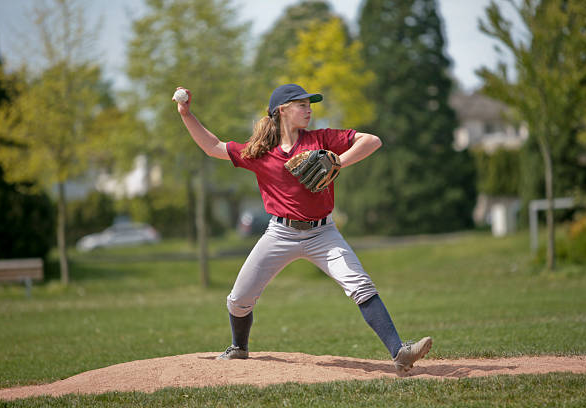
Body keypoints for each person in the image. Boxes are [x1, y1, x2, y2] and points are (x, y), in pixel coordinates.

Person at [174, 83, 432, 376]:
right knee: (239, 299)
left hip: (323, 233)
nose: (309, 109)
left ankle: (399, 353)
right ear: (282, 110)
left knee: (359, 284)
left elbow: (372, 140)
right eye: (302, 105)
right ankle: (239, 347)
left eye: (310, 104)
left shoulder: (321, 139)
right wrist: (186, 113)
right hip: (279, 234)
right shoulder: (261, 152)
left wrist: (337, 161)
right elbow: (213, 147)